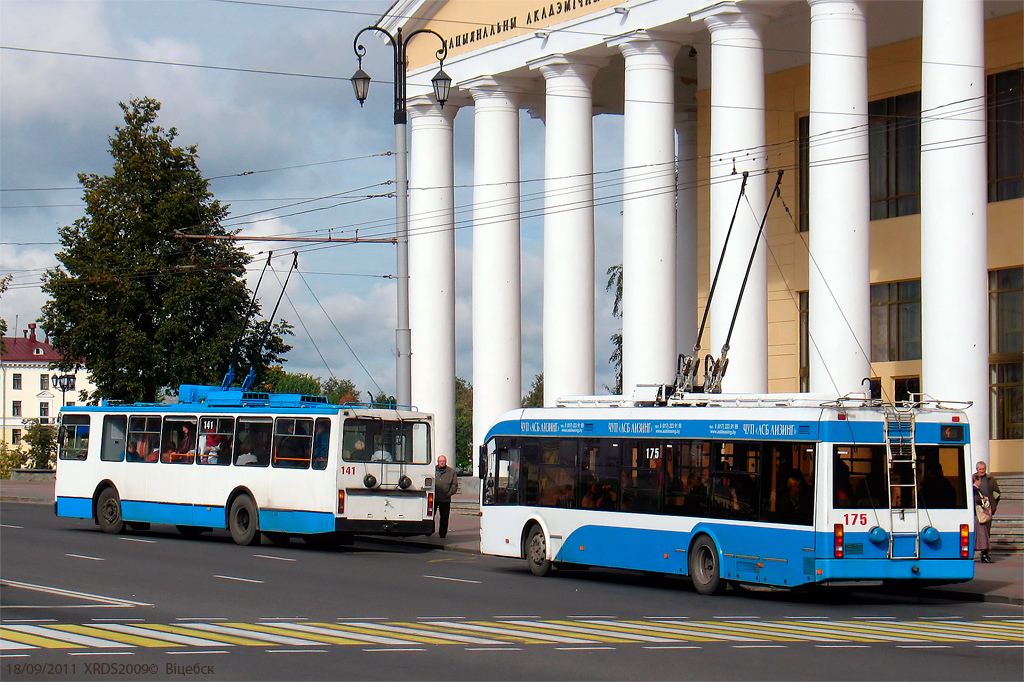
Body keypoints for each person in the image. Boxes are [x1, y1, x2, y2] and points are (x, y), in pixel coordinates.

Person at [973, 461, 1001, 563]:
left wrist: (993, 507)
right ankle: (977, 552)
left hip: (987, 511)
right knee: (978, 533)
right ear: (977, 470)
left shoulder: (990, 479)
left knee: (986, 532)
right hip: (976, 512)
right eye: (980, 470)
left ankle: (985, 554)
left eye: (983, 469)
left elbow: (997, 493)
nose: (982, 471)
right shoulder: (973, 478)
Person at [434, 455, 458, 538]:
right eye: (440, 461)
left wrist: (449, 493)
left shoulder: (451, 472)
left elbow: (454, 485)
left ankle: (442, 533)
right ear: (438, 462)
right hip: (434, 498)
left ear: (445, 462)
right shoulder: (433, 470)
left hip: (445, 499)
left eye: (443, 461)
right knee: (430, 516)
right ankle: (429, 531)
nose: (442, 462)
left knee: (444, 517)